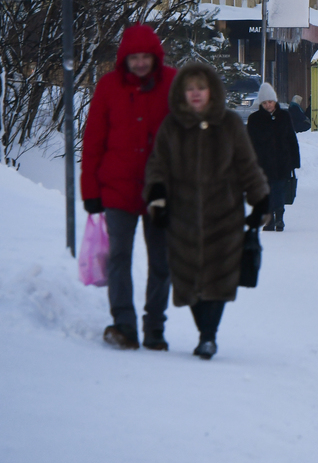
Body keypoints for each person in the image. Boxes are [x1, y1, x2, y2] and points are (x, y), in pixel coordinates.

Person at [144, 61, 271, 360]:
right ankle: (204, 330)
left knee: (219, 276)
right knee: (188, 279)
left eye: (201, 88)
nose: (196, 94)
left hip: (224, 215)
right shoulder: (172, 126)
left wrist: (260, 199)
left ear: (211, 91)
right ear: (182, 93)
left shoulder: (228, 124)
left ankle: (208, 336)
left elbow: (246, 165)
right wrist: (158, 196)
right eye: (190, 89)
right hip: (182, 218)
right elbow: (157, 166)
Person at [80, 24, 177, 351]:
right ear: (125, 58)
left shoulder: (172, 83)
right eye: (133, 57)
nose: (139, 63)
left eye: (145, 57)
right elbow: (93, 142)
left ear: (155, 57)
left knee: (161, 261)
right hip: (117, 189)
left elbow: (189, 135)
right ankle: (124, 324)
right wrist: (90, 191)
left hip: (160, 190)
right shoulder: (108, 87)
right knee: (119, 257)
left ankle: (154, 327)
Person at [245, 84, 300, 232]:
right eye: (265, 102)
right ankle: (269, 219)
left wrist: (295, 160)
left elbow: (291, 138)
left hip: (283, 161)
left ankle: (279, 218)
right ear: (261, 104)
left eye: (270, 101)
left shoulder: (284, 116)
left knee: (279, 190)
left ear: (275, 101)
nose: (268, 105)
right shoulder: (255, 119)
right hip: (262, 162)